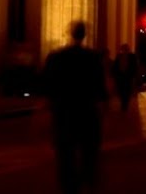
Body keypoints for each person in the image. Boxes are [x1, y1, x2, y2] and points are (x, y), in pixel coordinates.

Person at [41, 21, 108, 194]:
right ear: (84, 34)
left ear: (69, 33)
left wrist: (48, 104)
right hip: (86, 111)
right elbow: (100, 87)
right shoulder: (93, 58)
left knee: (65, 153)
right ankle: (88, 179)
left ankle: (69, 185)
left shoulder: (55, 56)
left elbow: (47, 84)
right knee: (88, 151)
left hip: (64, 111)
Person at [111, 43, 139, 111]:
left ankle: (125, 103)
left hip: (128, 76)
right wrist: (115, 75)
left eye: (126, 49)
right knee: (121, 90)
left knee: (127, 90)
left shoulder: (132, 56)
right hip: (120, 76)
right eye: (123, 49)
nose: (124, 50)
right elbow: (115, 66)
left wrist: (134, 76)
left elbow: (135, 66)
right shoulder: (119, 56)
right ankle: (123, 102)